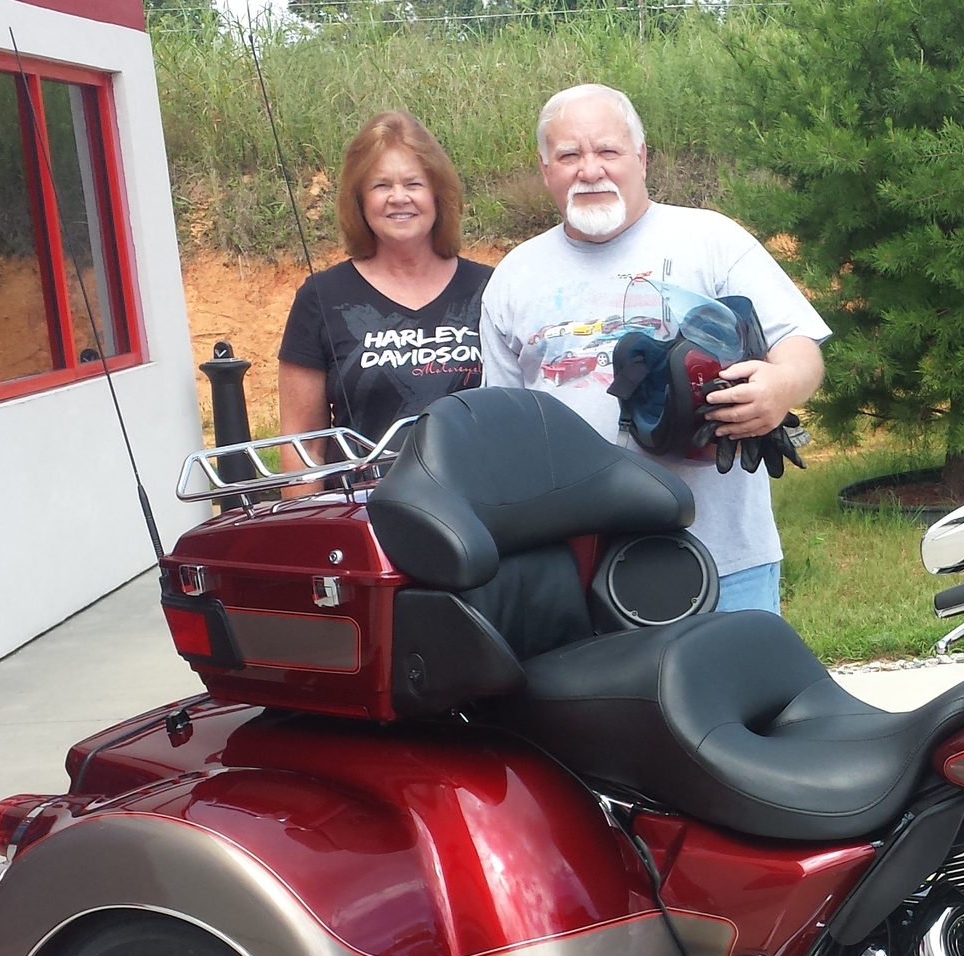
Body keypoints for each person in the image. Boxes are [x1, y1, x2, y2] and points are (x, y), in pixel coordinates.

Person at [480, 83, 826, 614]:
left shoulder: (712, 239)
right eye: (569, 154)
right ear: (546, 169)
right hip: (572, 569)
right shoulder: (513, 276)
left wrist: (779, 386)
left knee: (740, 697)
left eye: (608, 151)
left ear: (642, 158)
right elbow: (501, 427)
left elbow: (799, 345)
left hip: (723, 560)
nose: (590, 169)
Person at [279, 111, 489, 458]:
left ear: (438, 194)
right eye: (381, 185)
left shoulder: (489, 288)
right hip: (362, 509)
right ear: (359, 200)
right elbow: (304, 446)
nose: (398, 197)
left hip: (474, 508)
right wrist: (309, 512)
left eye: (413, 183)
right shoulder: (321, 298)